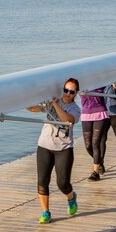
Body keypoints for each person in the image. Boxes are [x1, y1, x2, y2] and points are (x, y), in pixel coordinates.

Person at [28, 78, 81, 223]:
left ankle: (71, 197)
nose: (67, 94)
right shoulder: (52, 102)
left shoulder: (76, 109)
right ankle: (46, 212)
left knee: (62, 183)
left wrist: (55, 105)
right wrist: (25, 99)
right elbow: (33, 108)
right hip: (44, 145)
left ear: (76, 93)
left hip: (63, 148)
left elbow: (67, 120)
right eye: (65, 90)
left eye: (71, 92)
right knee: (42, 181)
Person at [81, 86, 111, 181]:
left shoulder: (98, 80)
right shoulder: (81, 81)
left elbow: (108, 81)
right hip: (86, 114)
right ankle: (100, 162)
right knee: (88, 146)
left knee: (95, 143)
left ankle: (95, 173)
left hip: (100, 112)